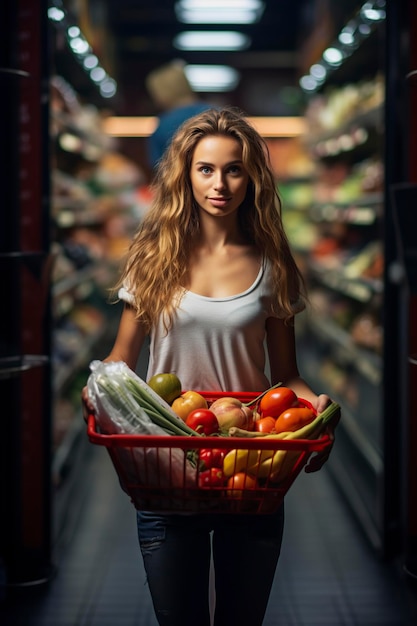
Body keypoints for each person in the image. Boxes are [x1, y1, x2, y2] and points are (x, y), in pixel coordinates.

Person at [82, 107, 338, 626]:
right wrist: (97, 388)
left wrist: (316, 410)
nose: (219, 183)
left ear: (253, 177)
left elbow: (286, 377)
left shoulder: (273, 262)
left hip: (251, 468)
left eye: (234, 168)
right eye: (205, 169)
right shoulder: (153, 256)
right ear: (186, 174)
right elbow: (121, 359)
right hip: (167, 467)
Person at [145, 60, 211, 170]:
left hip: (177, 186)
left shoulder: (163, 125)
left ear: (163, 93)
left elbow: (159, 171)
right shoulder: (219, 114)